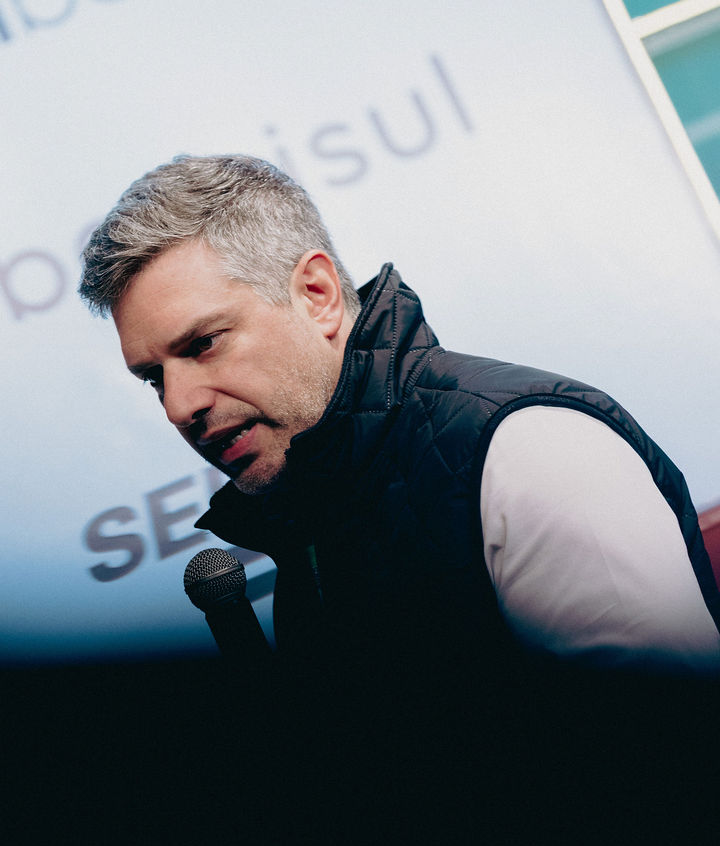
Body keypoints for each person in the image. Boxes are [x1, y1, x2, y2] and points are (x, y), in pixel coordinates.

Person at [79, 153, 720, 674]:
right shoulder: (309, 511)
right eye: (154, 378)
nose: (179, 405)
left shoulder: (529, 452)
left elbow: (674, 759)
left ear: (318, 296)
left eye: (203, 344)